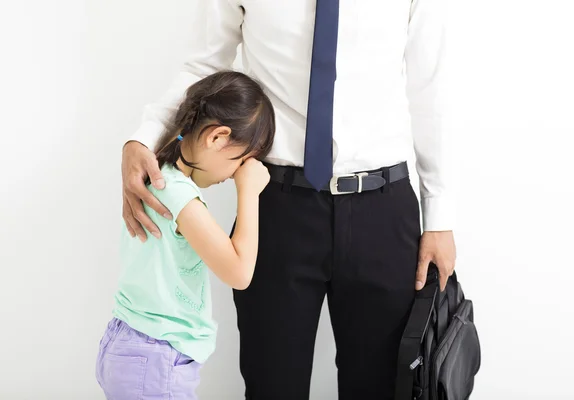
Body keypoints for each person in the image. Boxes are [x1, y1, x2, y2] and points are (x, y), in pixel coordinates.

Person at [122, 0, 457, 399]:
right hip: (277, 207)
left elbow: (429, 90)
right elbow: (202, 67)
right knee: (272, 386)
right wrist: (143, 137)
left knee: (384, 388)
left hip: (383, 209)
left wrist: (438, 213)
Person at [97, 71, 275, 400]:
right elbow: (239, 273)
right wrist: (248, 193)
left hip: (132, 343)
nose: (239, 171)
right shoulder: (178, 194)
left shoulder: (160, 174)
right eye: (243, 159)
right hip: (154, 356)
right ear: (218, 137)